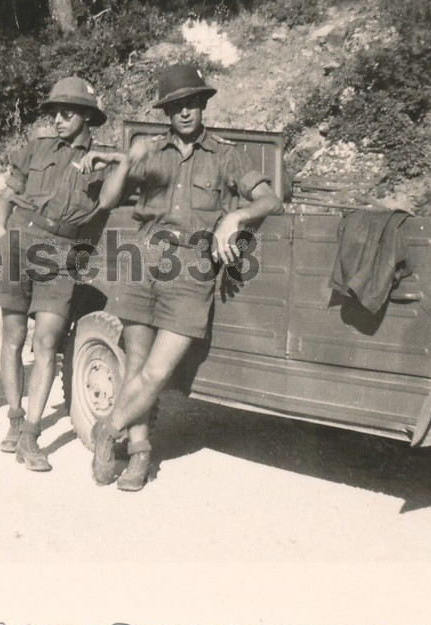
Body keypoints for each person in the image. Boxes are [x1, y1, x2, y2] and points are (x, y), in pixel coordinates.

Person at [81, 64, 283, 490]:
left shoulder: (227, 155)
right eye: (176, 106)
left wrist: (236, 217)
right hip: (144, 257)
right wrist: (126, 162)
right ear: (167, 112)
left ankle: (107, 428)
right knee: (134, 363)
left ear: (203, 105)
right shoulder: (150, 151)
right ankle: (139, 453)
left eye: (192, 103)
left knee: (157, 374)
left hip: (192, 266)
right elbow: (107, 199)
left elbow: (270, 198)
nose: (185, 112)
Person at [0, 77, 113, 472]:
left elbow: (137, 169)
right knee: (13, 337)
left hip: (61, 252)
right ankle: (14, 417)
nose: (58, 119)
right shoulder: (36, 148)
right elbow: (5, 197)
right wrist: (3, 236)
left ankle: (32, 436)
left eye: (67, 112)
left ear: (88, 116)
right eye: (54, 112)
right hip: (18, 243)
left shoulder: (103, 162)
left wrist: (116, 160)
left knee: (47, 341)